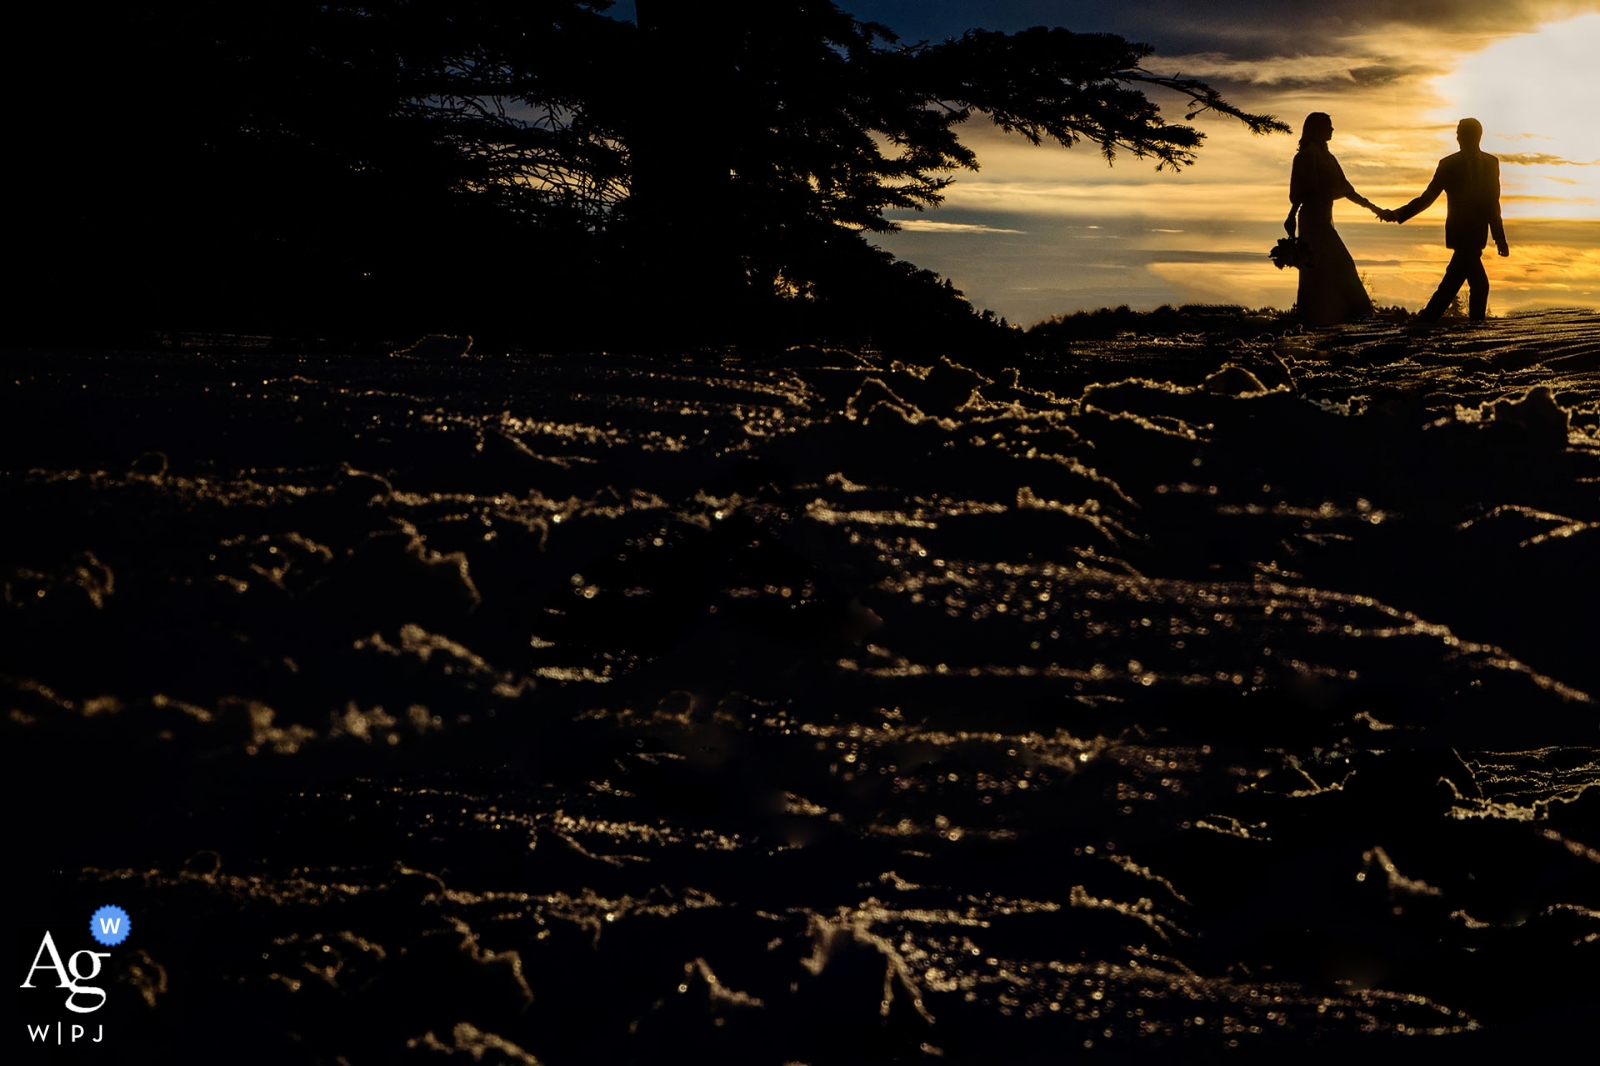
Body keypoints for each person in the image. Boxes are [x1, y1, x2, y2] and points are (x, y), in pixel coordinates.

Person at [1381, 118, 1509, 322]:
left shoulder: (1491, 163)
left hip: (1477, 233)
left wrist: (1499, 238)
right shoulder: (1448, 164)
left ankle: (1427, 320)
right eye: (1458, 133)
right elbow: (1428, 197)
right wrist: (1399, 214)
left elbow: (1493, 203)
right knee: (1478, 285)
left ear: (1474, 136)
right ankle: (1473, 328)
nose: (1457, 137)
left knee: (1455, 283)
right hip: (1460, 233)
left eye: (1460, 133)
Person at [1286, 112, 1385, 326]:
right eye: (1329, 126)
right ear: (1317, 129)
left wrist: (1374, 208)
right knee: (1337, 265)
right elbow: (1301, 193)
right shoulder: (1306, 156)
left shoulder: (1328, 158)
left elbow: (1347, 189)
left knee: (1328, 267)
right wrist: (1291, 216)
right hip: (1312, 221)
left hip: (1323, 217)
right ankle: (1353, 314)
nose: (1332, 130)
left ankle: (1333, 316)